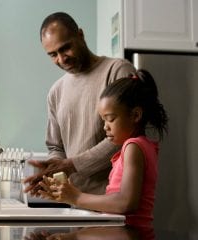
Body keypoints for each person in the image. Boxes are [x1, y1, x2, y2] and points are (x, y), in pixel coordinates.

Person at [23, 12, 136, 196]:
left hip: (113, 201)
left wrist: (72, 165)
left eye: (65, 48)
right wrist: (53, 171)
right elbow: (55, 147)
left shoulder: (118, 70)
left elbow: (127, 134)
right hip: (74, 201)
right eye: (53, 55)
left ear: (80, 35)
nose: (61, 59)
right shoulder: (56, 91)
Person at [38, 69, 168, 228]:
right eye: (103, 120)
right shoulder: (141, 146)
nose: (105, 127)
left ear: (135, 115)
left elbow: (126, 203)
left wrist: (76, 197)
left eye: (110, 119)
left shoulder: (133, 147)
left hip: (131, 235)